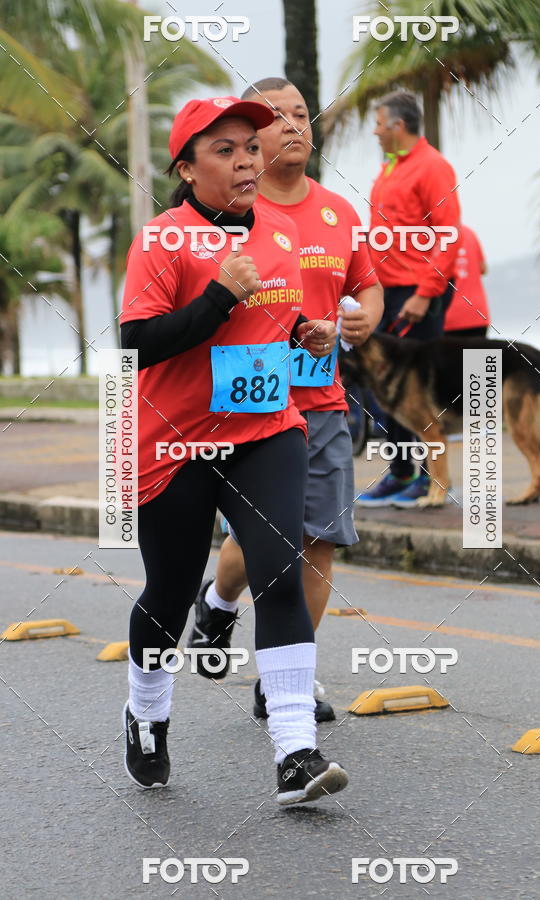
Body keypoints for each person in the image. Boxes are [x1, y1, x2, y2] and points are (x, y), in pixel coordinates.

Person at [120, 95, 348, 805]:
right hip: (176, 442)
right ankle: (146, 711)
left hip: (265, 431)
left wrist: (307, 332)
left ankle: (295, 753)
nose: (248, 160)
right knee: (168, 592)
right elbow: (137, 344)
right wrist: (219, 296)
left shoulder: (282, 231)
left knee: (279, 575)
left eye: (251, 146)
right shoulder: (160, 240)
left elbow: (272, 320)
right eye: (225, 150)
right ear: (187, 170)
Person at [187, 78, 383, 721]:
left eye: (302, 113)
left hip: (321, 402)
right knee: (262, 539)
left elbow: (367, 285)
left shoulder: (338, 212)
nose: (295, 124)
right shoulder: (226, 215)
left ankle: (283, 681)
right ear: (251, 140)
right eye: (278, 117)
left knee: (318, 539)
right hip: (250, 400)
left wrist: (364, 317)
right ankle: (217, 603)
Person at [356, 90, 461, 509]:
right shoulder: (390, 167)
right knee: (388, 389)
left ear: (398, 126)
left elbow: (448, 234)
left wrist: (425, 293)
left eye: (379, 124)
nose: (375, 132)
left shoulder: (432, 166)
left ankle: (429, 480)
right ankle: (401, 472)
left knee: (418, 393)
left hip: (417, 293)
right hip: (387, 293)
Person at [444, 224, 490, 338]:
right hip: (477, 313)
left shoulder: (427, 236)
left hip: (447, 316)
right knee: (479, 350)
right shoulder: (468, 232)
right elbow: (483, 268)